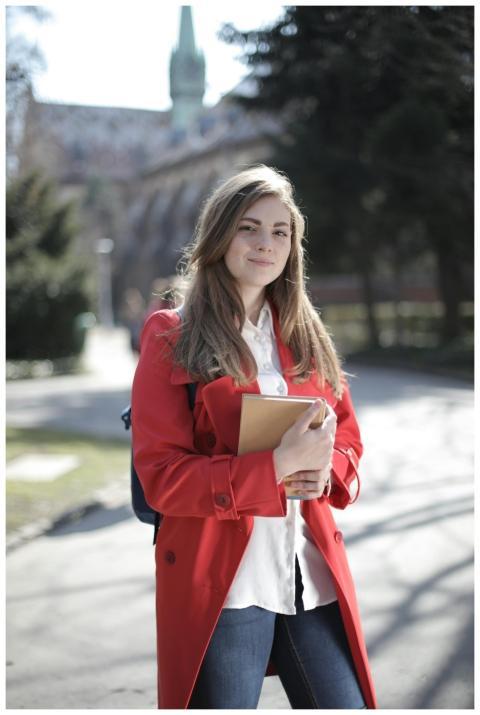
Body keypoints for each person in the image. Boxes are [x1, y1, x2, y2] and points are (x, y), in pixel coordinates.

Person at [131, 165, 378, 709]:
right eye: (249, 228)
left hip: (308, 573)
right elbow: (162, 479)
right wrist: (273, 468)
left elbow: (349, 440)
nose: (266, 244)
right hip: (225, 585)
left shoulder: (303, 330)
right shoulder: (170, 334)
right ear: (220, 236)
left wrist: (327, 470)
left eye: (280, 231)